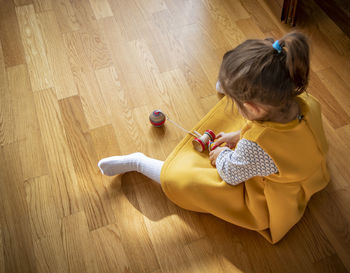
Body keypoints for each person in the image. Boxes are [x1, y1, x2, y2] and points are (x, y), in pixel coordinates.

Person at [98, 31, 330, 244]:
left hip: (273, 198)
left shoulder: (256, 148)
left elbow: (230, 174)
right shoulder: (305, 102)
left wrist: (223, 154)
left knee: (182, 178)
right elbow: (277, 140)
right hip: (304, 168)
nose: (238, 109)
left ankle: (138, 162)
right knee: (244, 127)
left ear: (253, 108)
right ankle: (236, 88)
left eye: (238, 103)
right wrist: (239, 134)